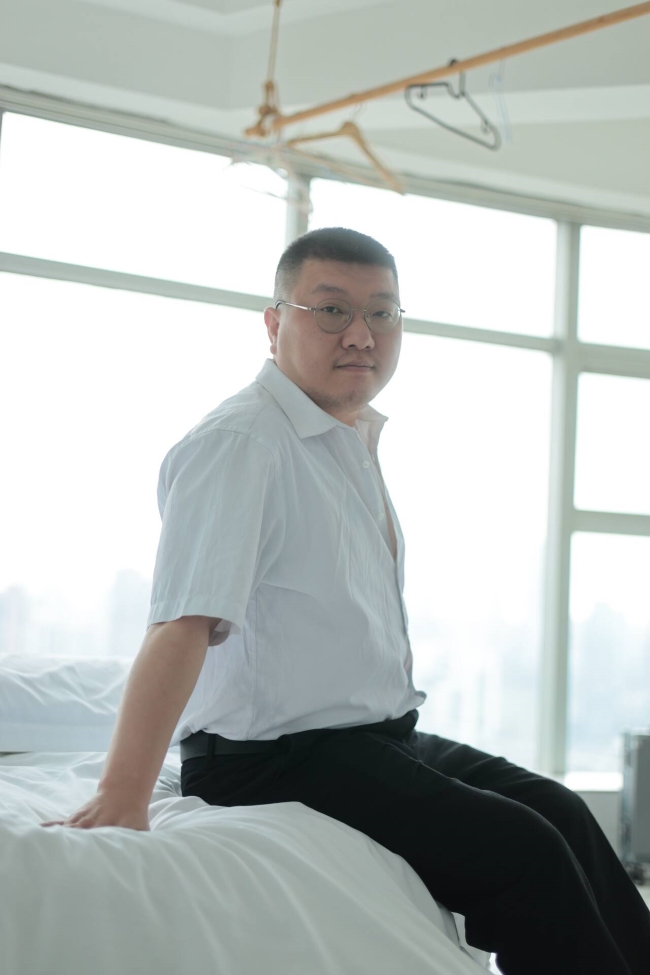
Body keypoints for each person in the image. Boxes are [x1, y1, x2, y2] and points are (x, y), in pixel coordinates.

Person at [42, 227, 650, 974]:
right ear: (275, 323)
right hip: (273, 760)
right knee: (526, 855)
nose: (361, 334)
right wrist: (122, 792)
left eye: (381, 313)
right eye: (331, 310)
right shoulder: (243, 442)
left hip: (373, 740)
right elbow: (182, 623)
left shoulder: (344, 438)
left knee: (562, 812)